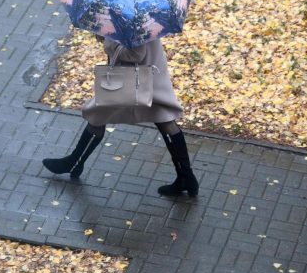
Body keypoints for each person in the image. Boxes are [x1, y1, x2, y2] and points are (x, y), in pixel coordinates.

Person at [42, 36, 199, 197]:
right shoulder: (142, 16)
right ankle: (186, 177)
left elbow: (136, 54)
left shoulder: (133, 18)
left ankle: (74, 162)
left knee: (99, 114)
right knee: (163, 119)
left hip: (134, 79)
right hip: (149, 75)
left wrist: (109, 43)